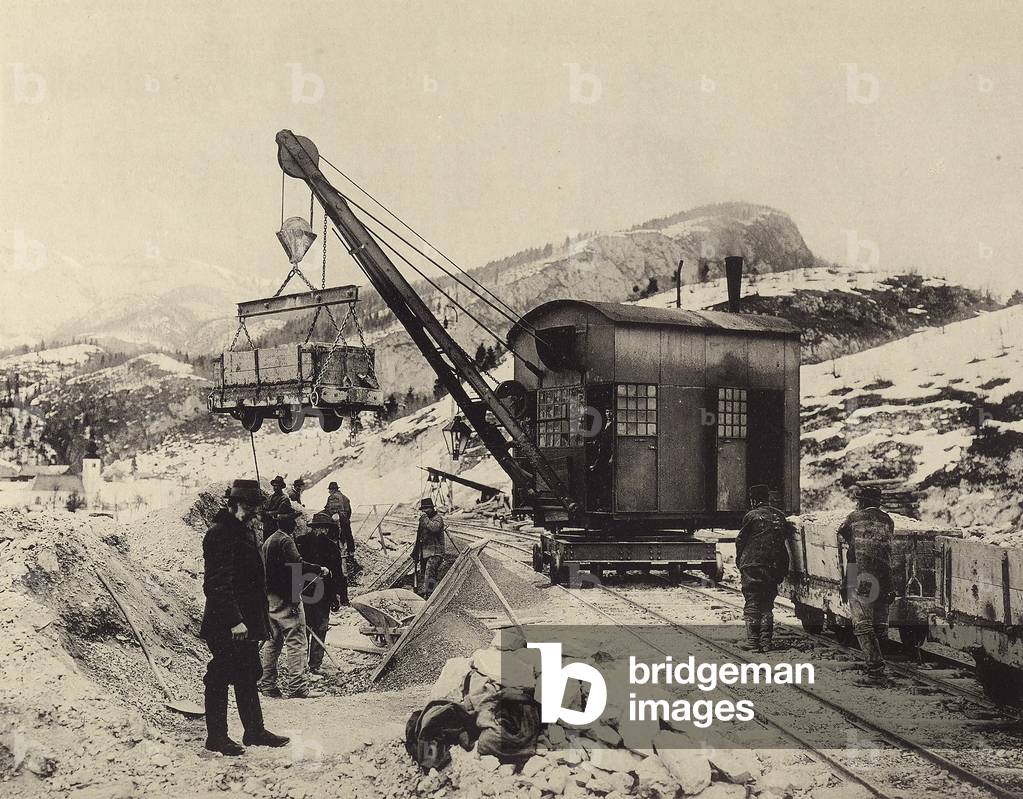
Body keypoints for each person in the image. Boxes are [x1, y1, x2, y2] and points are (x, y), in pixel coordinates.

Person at [199, 479, 289, 755]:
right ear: (232, 503)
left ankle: (254, 731)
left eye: (255, 507)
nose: (253, 513)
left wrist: (260, 622)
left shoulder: (244, 531)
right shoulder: (220, 533)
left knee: (249, 673)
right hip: (227, 623)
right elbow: (216, 584)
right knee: (220, 674)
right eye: (248, 507)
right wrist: (234, 620)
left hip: (247, 622)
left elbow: (253, 583)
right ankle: (216, 737)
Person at [258, 512, 330, 698]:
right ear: (289, 523)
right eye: (295, 521)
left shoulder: (268, 541)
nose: (297, 524)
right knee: (297, 642)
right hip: (288, 599)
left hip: (270, 599)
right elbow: (297, 563)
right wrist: (318, 569)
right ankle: (297, 688)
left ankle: (268, 685)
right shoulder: (286, 541)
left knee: (272, 643)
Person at [838, 485, 896, 686]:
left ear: (861, 502)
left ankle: (876, 671)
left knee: (862, 623)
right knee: (879, 623)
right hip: (884, 576)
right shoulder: (888, 520)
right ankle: (882, 664)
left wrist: (846, 581)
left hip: (861, 574)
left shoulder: (854, 517)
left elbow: (843, 536)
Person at [735, 484, 794, 653]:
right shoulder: (780, 516)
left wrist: (741, 561)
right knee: (767, 604)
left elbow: (740, 541)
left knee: (752, 601)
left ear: (753, 500)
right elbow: (784, 541)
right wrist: (782, 568)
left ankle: (753, 642)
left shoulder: (751, 516)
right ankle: (766, 642)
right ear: (768, 498)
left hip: (753, 564)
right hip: (773, 566)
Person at [296, 512, 348, 673]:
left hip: (313, 593)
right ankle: (309, 664)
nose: (322, 531)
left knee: (314, 627)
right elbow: (337, 575)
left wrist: (336, 597)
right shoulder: (303, 543)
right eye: (320, 528)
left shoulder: (302, 542)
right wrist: (337, 597)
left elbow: (337, 574)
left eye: (324, 528)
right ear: (315, 528)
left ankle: (310, 664)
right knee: (313, 627)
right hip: (313, 593)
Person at [324, 480, 358, 578]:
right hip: (345, 521)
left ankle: (342, 571)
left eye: (330, 490)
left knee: (338, 543)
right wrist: (345, 519)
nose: (329, 492)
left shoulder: (332, 497)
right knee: (348, 539)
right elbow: (349, 511)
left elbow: (328, 510)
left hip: (337, 522)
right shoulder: (345, 498)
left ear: (332, 490)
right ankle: (351, 556)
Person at [413, 497, 446, 597]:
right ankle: (425, 593)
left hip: (436, 552)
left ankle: (430, 595)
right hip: (425, 552)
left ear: (432, 508)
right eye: (423, 509)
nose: (424, 511)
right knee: (423, 574)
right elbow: (419, 536)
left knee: (429, 573)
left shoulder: (437, 518)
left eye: (426, 509)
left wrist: (424, 518)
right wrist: (416, 552)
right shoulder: (424, 520)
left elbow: (434, 528)